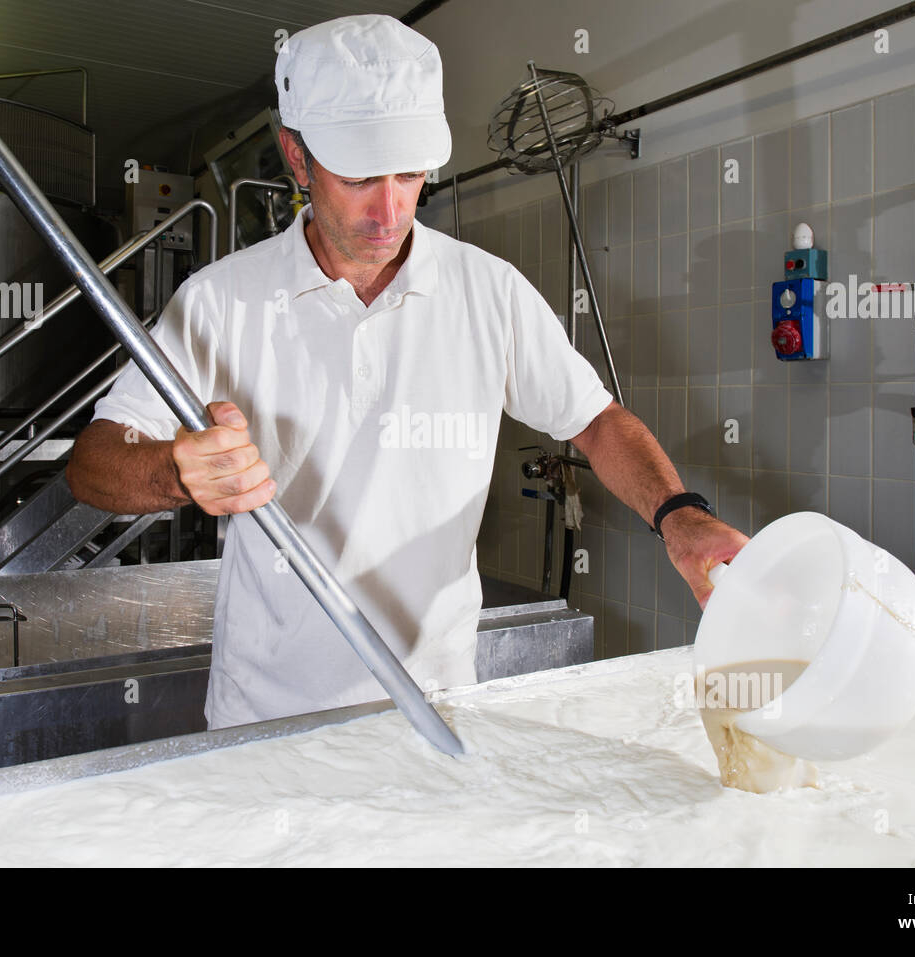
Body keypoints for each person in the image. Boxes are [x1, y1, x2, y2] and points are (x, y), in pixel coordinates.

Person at [66, 13, 749, 731]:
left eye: (410, 171)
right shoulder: (219, 301)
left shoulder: (489, 291)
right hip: (264, 724)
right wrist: (176, 471)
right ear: (295, 156)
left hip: (436, 708)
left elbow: (599, 422)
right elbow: (91, 465)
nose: (390, 208)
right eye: (360, 175)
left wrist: (680, 516)